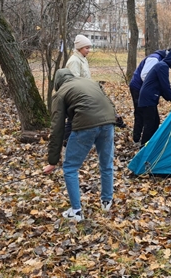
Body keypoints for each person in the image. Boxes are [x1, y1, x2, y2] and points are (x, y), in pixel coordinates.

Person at [43, 69, 117, 222]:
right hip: (108, 121)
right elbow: (108, 102)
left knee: (70, 167)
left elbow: (57, 127)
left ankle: (76, 212)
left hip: (86, 125)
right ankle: (106, 202)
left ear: (57, 82)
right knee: (106, 163)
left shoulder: (61, 93)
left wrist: (52, 160)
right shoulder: (90, 82)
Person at [138, 48, 171, 146]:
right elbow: (165, 85)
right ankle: (144, 146)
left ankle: (151, 144)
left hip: (149, 97)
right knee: (150, 124)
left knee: (155, 121)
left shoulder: (161, 65)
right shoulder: (163, 67)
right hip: (148, 99)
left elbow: (162, 87)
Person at [129, 49, 168, 143]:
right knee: (141, 114)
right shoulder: (155, 59)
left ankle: (145, 139)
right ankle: (137, 138)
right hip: (138, 88)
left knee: (151, 116)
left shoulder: (159, 59)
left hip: (143, 89)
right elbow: (144, 75)